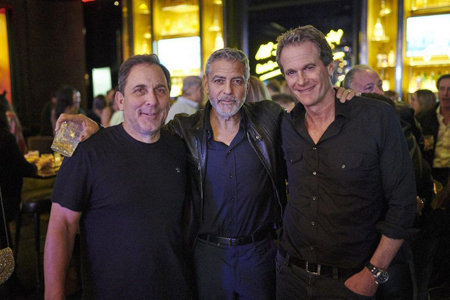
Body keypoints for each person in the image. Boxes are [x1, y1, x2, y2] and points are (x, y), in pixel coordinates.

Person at [54, 48, 357, 300]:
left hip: (259, 254)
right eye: (219, 80)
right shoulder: (183, 130)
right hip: (206, 256)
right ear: (206, 84)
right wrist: (97, 130)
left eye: (237, 80)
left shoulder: (269, 120)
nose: (228, 90)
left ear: (247, 83)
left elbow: (310, 117)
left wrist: (334, 94)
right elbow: (136, 133)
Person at [275, 25, 416, 299]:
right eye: (291, 72)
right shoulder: (285, 125)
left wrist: (373, 274)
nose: (301, 80)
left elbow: (403, 203)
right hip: (291, 277)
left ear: (329, 67)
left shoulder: (376, 118)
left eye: (309, 67)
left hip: (352, 281)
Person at [44, 54, 191, 299]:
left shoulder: (179, 149)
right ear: (120, 101)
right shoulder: (88, 151)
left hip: (175, 288)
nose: (151, 100)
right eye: (139, 90)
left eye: (160, 90)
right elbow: (62, 226)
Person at [0, 96, 52, 298]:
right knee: (4, 244)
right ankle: (12, 288)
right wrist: (37, 166)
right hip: (3, 200)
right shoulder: (4, 136)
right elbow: (22, 167)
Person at [417, 74, 450, 187]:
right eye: (442, 89)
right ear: (438, 92)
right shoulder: (425, 118)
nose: (446, 94)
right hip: (431, 173)